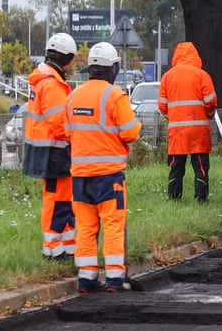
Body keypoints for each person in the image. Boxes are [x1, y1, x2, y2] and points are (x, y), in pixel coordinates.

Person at [66, 42, 141, 293]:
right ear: (114, 68)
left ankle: (86, 279)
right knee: (112, 226)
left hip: (79, 177)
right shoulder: (115, 95)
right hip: (109, 176)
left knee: (86, 228)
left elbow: (68, 131)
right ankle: (115, 280)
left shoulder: (73, 96)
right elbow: (130, 133)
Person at [22, 32, 78, 261]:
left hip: (46, 151)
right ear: (66, 58)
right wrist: (77, 139)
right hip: (56, 150)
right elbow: (59, 123)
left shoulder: (42, 80)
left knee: (57, 199)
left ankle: (63, 246)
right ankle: (54, 249)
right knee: (59, 201)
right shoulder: (53, 85)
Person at [158, 42, 217, 202]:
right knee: (200, 167)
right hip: (199, 130)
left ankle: (174, 199)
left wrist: (174, 117)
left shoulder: (167, 77)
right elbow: (211, 101)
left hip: (177, 131)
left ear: (176, 56)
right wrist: (209, 115)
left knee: (176, 166)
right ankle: (201, 199)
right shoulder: (202, 75)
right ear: (195, 56)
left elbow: (162, 105)